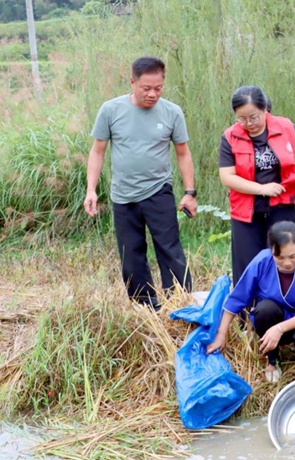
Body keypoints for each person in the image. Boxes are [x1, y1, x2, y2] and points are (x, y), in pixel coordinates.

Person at [84, 56, 196, 311]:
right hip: (123, 196)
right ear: (132, 82)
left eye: (158, 88)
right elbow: (98, 151)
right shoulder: (111, 110)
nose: (153, 94)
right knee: (131, 256)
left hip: (158, 191)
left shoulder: (171, 112)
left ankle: (179, 305)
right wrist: (91, 190)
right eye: (146, 88)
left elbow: (183, 152)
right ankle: (145, 308)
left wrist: (190, 192)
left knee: (170, 250)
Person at [219, 85, 295, 286]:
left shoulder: (284, 126)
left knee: (284, 258)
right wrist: (262, 189)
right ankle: (246, 312)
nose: (249, 123)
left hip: (282, 207)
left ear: (265, 109)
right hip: (246, 211)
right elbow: (227, 177)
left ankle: (285, 308)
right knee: (247, 264)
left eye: (254, 117)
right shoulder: (230, 136)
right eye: (242, 119)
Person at [206, 222, 295, 382]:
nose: (287, 263)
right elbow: (238, 298)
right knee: (265, 309)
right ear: (271, 251)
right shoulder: (262, 261)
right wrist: (221, 334)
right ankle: (272, 360)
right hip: (273, 319)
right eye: (279, 257)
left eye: (293, 256)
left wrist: (279, 329)